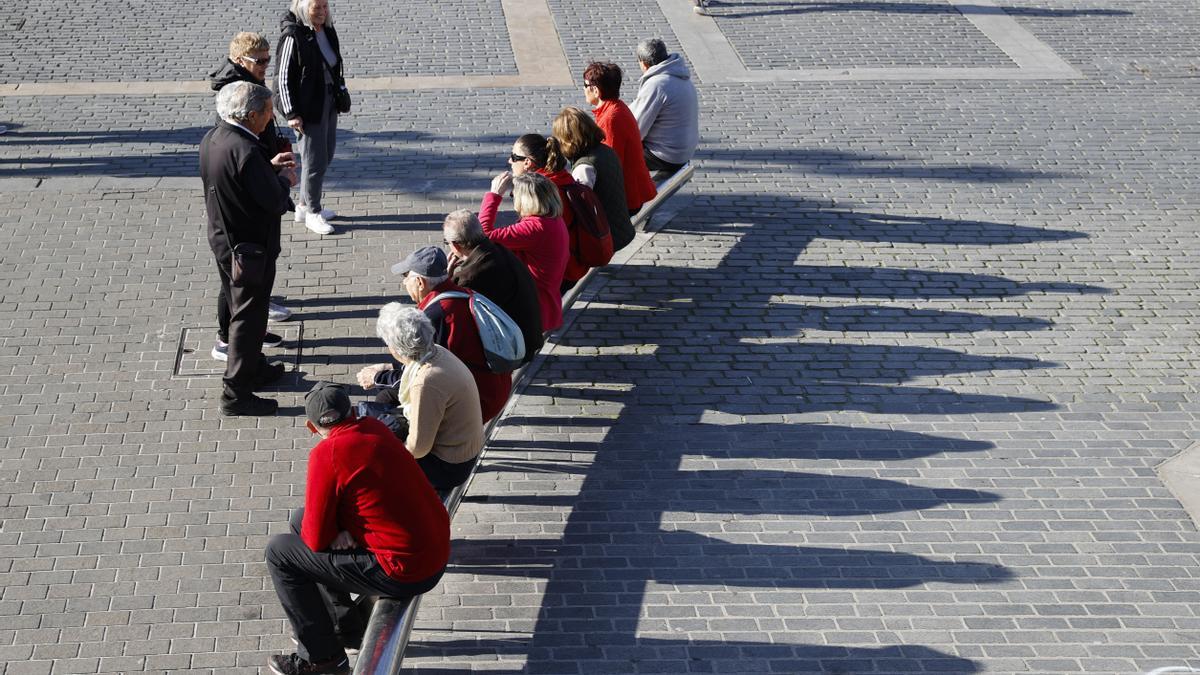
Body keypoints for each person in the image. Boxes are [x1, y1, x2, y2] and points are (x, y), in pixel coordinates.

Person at [264, 381, 449, 675]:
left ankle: (322, 658)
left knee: (279, 552)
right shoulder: (375, 429)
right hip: (434, 549)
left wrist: (334, 532)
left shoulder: (328, 453)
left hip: (406, 569)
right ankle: (343, 628)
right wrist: (337, 530)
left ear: (312, 428)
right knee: (300, 519)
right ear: (352, 411)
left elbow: (314, 539)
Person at [200, 81, 297, 416]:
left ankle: (254, 366)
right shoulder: (247, 150)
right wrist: (284, 179)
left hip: (225, 240)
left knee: (240, 305)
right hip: (249, 249)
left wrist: (267, 169)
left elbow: (235, 182)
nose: (272, 117)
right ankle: (236, 392)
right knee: (249, 317)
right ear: (253, 115)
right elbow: (274, 202)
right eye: (269, 112)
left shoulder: (215, 139)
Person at [208, 31, 294, 340]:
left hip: (258, 172)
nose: (265, 66)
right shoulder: (236, 90)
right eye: (260, 61)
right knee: (236, 277)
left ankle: (250, 329)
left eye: (269, 59)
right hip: (240, 217)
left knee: (245, 277)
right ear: (239, 60)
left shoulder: (248, 83)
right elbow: (242, 142)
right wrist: (274, 173)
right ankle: (227, 338)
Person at [358, 306, 485, 490]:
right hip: (464, 449)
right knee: (384, 402)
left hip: (449, 466)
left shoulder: (426, 382)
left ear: (397, 349)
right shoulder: (436, 352)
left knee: (374, 456)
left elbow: (418, 447)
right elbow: (404, 380)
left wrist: (388, 451)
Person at [389, 246, 512, 423]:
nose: (404, 283)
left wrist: (381, 375)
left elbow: (426, 373)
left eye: (406, 276)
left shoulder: (433, 317)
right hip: (496, 388)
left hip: (476, 402)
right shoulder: (462, 293)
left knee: (389, 404)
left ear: (420, 282)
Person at [276, 0, 344, 235]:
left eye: (325, 6)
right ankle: (313, 212)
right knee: (314, 161)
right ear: (304, 8)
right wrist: (291, 113)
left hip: (328, 101)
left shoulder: (327, 29)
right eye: (318, 7)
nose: (323, 12)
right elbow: (282, 78)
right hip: (308, 108)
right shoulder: (292, 36)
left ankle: (304, 205)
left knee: (326, 153)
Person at [443, 209, 544, 364]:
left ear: (456, 246)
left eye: (447, 242)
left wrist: (447, 279)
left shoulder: (470, 278)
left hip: (514, 348)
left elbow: (448, 308)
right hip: (530, 336)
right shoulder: (498, 249)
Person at [478, 172, 569, 333]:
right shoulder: (553, 220)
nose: (512, 198)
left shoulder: (536, 227)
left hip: (532, 307)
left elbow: (482, 235)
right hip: (545, 302)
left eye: (513, 195)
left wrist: (494, 195)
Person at [503, 133, 592, 296]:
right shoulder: (560, 178)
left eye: (514, 157)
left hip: (563, 271)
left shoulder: (542, 192)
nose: (509, 161)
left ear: (527, 163)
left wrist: (493, 196)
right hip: (574, 263)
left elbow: (491, 235)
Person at [552, 107, 635, 254]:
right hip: (620, 227)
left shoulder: (585, 167)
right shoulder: (605, 150)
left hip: (607, 236)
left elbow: (578, 208)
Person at [583, 61, 657, 215]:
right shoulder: (617, 107)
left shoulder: (611, 119)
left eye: (585, 85)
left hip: (627, 198)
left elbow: (610, 165)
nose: (584, 90)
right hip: (632, 190)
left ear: (595, 90)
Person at [630, 38, 700, 181]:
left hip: (666, 155)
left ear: (643, 63)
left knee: (613, 155)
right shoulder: (680, 75)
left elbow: (636, 130)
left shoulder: (657, 85)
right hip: (684, 150)